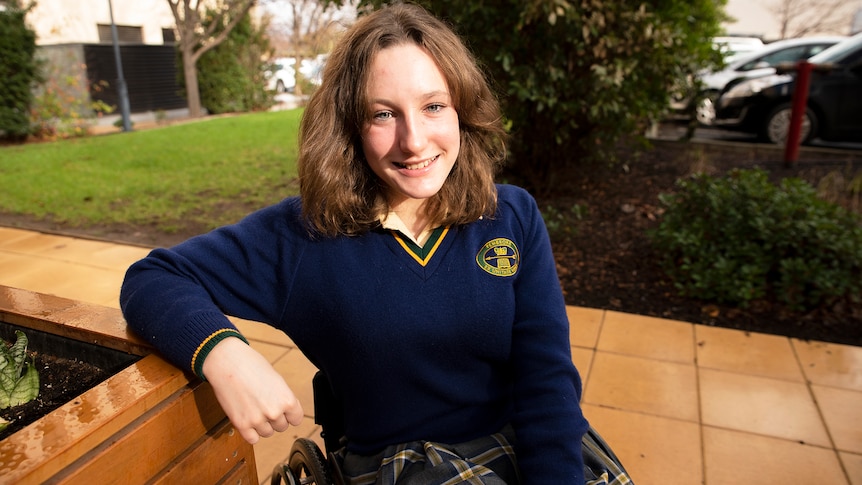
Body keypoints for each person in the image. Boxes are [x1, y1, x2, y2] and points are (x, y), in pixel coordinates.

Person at [120, 3, 589, 483]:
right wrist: (223, 352)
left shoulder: (510, 215)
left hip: (527, 447)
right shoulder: (306, 235)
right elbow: (152, 278)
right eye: (384, 114)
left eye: (433, 106)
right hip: (400, 467)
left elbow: (547, 379)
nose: (414, 141)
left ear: (462, 111)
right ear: (348, 127)